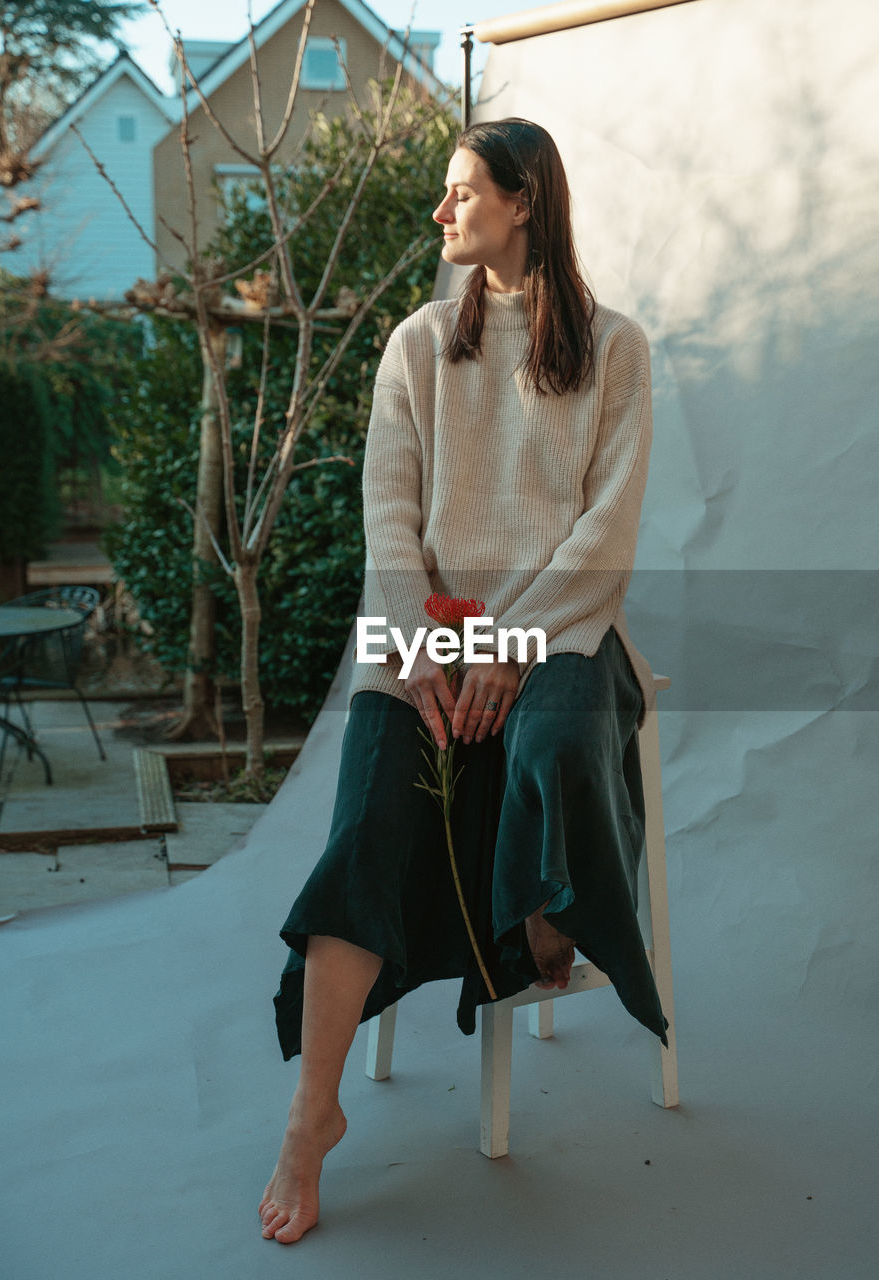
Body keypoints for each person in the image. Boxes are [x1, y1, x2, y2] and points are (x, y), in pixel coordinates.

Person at [259, 118, 668, 1245]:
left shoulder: (616, 349)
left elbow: (604, 535)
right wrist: (435, 646)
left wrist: (507, 646)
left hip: (564, 629)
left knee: (551, 746)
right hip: (427, 635)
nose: (440, 213)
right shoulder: (417, 345)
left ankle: (541, 925)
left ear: (524, 198)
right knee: (367, 824)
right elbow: (389, 523)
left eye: (458, 192)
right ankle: (311, 1112)